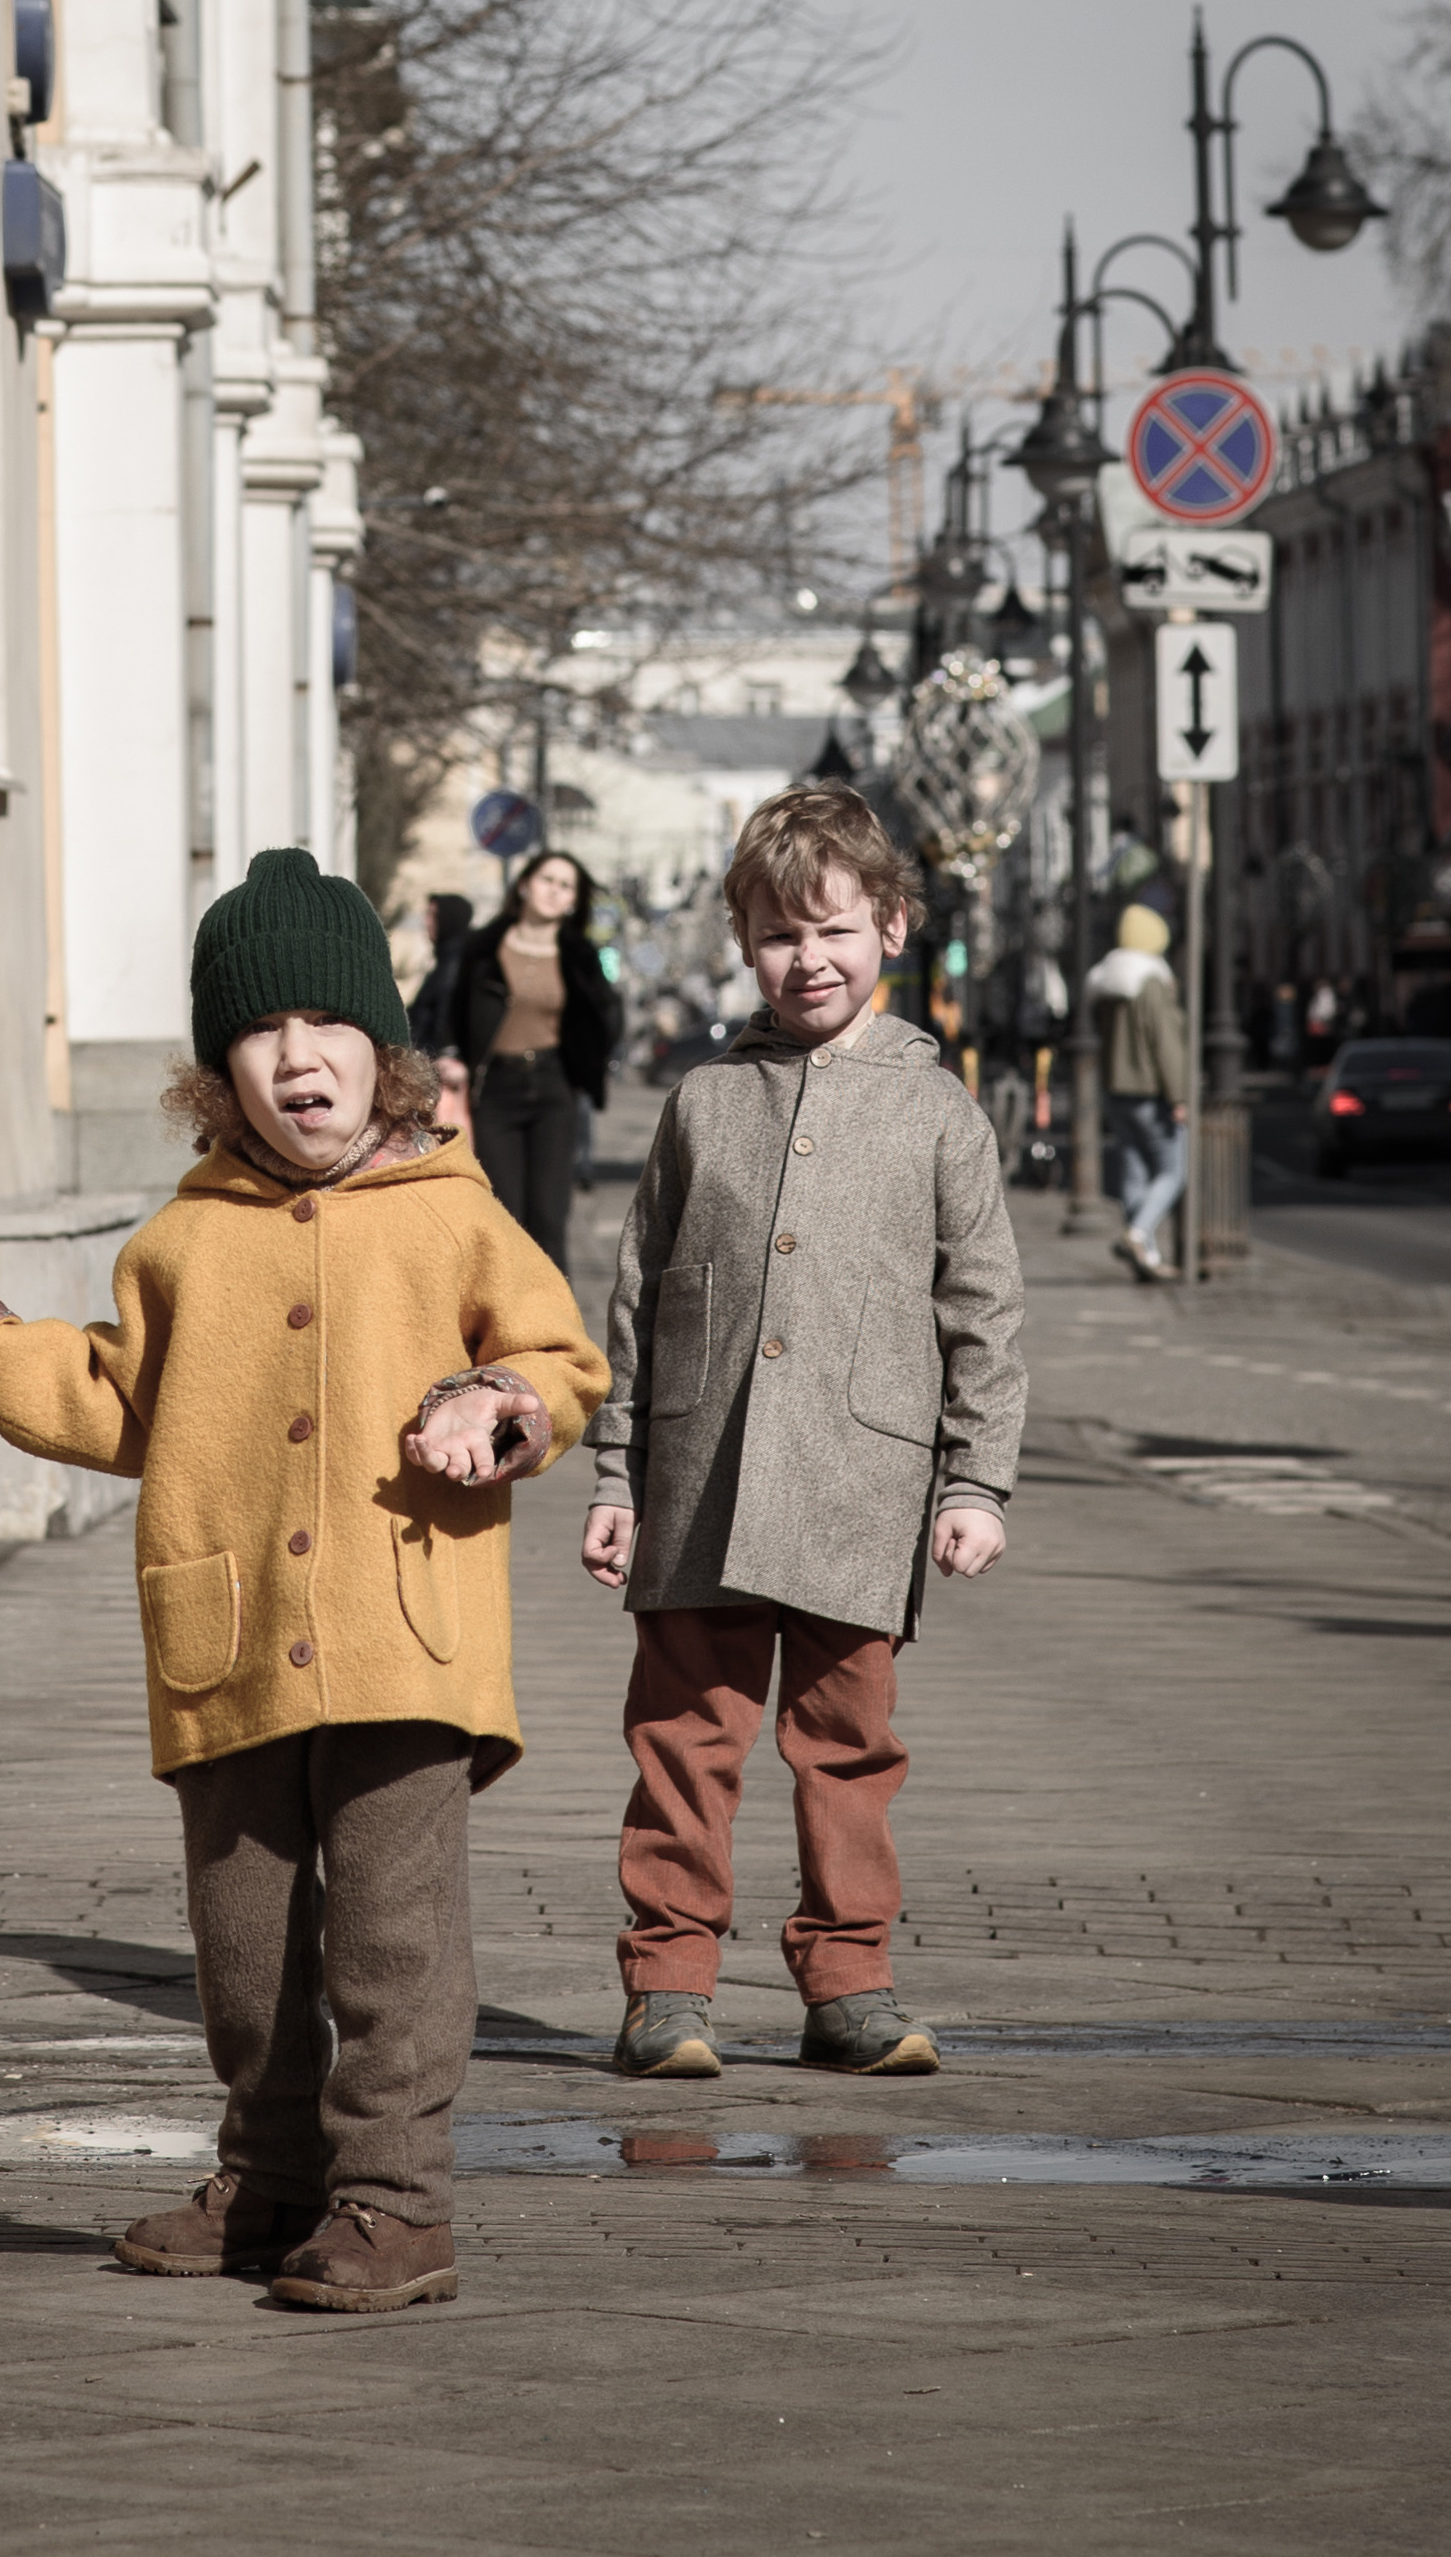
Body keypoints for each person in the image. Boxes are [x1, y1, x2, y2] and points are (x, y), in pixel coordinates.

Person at [0, 849, 606, 2313]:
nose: (293, 1058)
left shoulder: (456, 1213)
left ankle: (396, 2204)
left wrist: (496, 1402)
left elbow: (562, 1363)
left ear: (381, 1057)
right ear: (218, 1076)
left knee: (396, 1938)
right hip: (233, 1638)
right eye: (256, 1035)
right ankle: (269, 2181)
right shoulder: (182, 1241)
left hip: (406, 1636)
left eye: (324, 1026)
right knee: (244, 1942)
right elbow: (117, 1401)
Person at [579, 782, 1025, 2082]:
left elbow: (983, 1311)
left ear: (891, 925)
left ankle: (850, 1984)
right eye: (777, 934)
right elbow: (641, 1296)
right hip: (699, 1485)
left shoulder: (937, 1108)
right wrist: (619, 1471)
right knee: (683, 1748)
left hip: (860, 1488)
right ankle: (668, 1986)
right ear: (744, 944)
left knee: (848, 1754)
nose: (806, 959)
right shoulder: (702, 1103)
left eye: (831, 930)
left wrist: (976, 1483)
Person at [437, 850, 623, 1273]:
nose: (554, 891)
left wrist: (589, 1065)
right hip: (496, 1090)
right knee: (504, 1214)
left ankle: (556, 1332)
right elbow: (454, 1010)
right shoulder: (482, 946)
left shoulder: (579, 955)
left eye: (565, 886)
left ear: (574, 901)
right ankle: (504, 1326)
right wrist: (453, 1056)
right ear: (524, 884)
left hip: (553, 1087)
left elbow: (606, 1015)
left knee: (548, 1216)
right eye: (547, 880)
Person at [1086, 904, 1188, 1285]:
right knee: (1173, 1170)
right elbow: (1166, 1044)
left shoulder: (1107, 982)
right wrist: (1179, 1095)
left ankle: (1145, 1254)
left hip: (1116, 1088)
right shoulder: (1150, 981)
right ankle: (1139, 1233)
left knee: (1134, 1169)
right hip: (1150, 1090)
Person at [407, 892, 477, 1140]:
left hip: (445, 1072)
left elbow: (447, 1016)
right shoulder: (444, 959)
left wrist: (448, 1052)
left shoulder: (456, 963)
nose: (427, 922)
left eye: (432, 915)